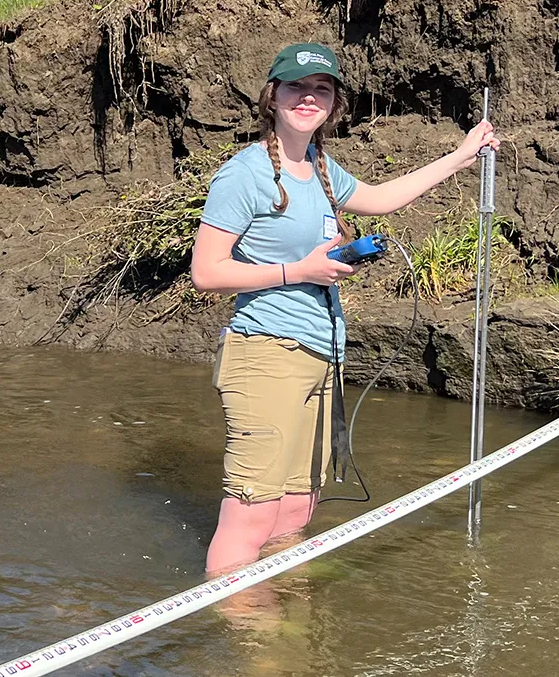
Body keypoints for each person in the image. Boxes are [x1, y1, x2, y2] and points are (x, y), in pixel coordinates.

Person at [191, 42, 499, 574]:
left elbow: (380, 198)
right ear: (272, 96)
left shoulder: (321, 166)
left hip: (319, 353)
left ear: (334, 103)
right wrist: (299, 271)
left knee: (296, 507)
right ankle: (244, 639)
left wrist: (462, 155)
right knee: (251, 509)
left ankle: (282, 613)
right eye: (296, 87)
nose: (309, 98)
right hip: (265, 353)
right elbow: (207, 272)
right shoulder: (243, 175)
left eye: (322, 89)